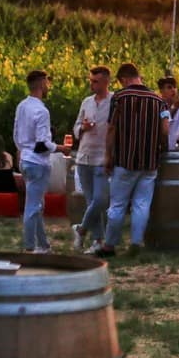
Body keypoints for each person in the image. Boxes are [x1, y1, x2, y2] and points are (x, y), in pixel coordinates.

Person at [94, 63, 167, 256]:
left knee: (118, 204)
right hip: (150, 162)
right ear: (138, 76)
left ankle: (109, 245)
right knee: (142, 204)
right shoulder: (158, 100)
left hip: (124, 160)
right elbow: (165, 129)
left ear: (124, 79)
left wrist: (108, 156)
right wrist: (160, 148)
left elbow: (111, 128)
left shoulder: (119, 98)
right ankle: (136, 243)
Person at [13, 70, 57, 253]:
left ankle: (43, 244)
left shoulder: (22, 106)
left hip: (25, 158)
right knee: (32, 207)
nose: (49, 86)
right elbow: (42, 144)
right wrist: (59, 148)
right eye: (47, 82)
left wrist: (22, 150)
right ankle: (30, 247)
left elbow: (16, 135)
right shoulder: (42, 110)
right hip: (38, 162)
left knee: (37, 204)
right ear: (41, 84)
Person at [72, 66, 114, 250]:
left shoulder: (114, 101)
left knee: (101, 200)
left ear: (106, 82)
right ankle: (98, 241)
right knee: (91, 201)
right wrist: (83, 127)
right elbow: (75, 128)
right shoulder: (86, 102)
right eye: (91, 80)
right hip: (84, 157)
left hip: (102, 157)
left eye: (95, 81)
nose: (92, 84)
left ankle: (81, 229)